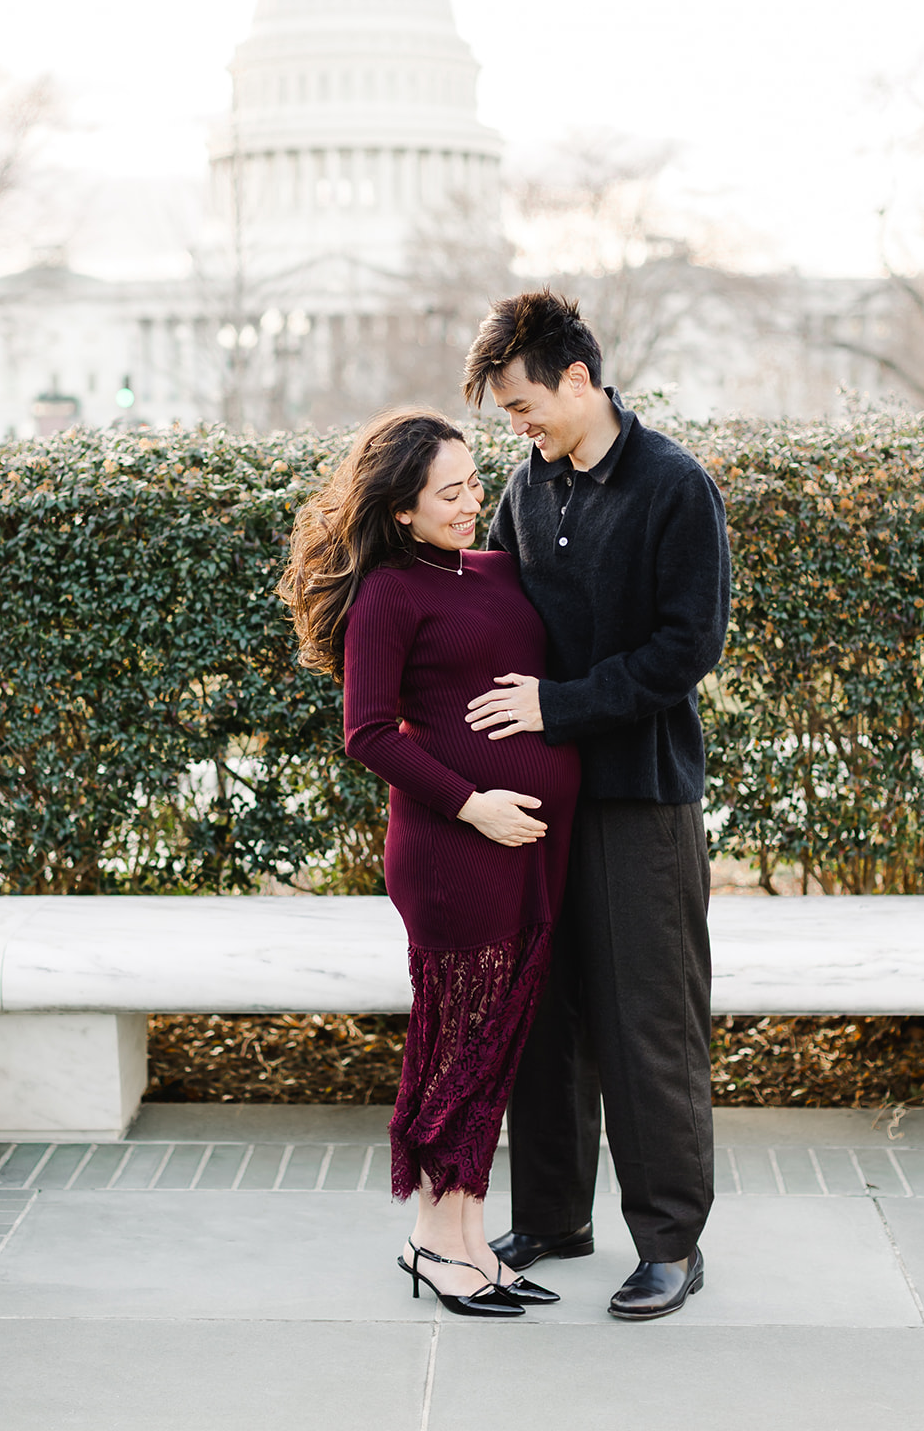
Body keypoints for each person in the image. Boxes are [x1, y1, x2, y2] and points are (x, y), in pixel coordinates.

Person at [461, 291, 730, 1321]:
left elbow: (684, 646)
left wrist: (559, 704)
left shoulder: (672, 485)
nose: (517, 427)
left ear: (577, 379)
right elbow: (494, 608)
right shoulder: (528, 487)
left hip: (638, 803)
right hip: (540, 800)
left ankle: (669, 1242)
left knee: (644, 1025)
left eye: (524, 405)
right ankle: (553, 1216)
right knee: (545, 1013)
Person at [277, 408, 580, 1317]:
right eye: (447, 493)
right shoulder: (387, 594)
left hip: (532, 848)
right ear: (400, 509)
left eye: (472, 484)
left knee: (494, 1049)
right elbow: (367, 734)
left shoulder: (494, 570)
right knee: (457, 1047)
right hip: (453, 850)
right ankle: (429, 1240)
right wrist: (474, 805)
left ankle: (468, 1239)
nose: (469, 502)